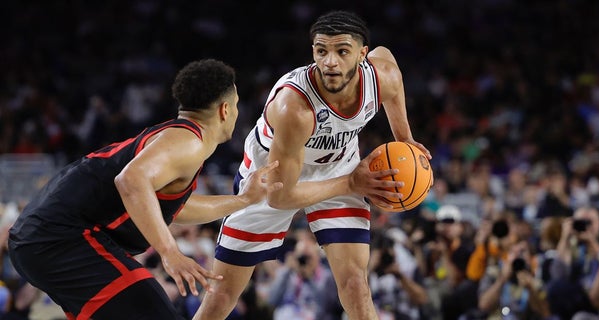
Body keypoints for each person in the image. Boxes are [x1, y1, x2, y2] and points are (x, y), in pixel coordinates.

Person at [194, 10, 431, 320]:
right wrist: (351, 183)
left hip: (339, 167)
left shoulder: (382, 76)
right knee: (222, 296)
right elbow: (280, 196)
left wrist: (406, 139)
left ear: (361, 54)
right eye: (321, 51)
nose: (329, 61)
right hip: (271, 178)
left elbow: (390, 71)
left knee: (356, 285)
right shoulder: (295, 107)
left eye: (341, 51)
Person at [7, 59, 287, 320]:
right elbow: (131, 181)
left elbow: (173, 208)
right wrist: (170, 252)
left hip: (42, 240)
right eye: (236, 104)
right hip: (62, 239)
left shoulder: (176, 139)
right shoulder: (188, 142)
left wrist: (244, 199)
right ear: (225, 110)